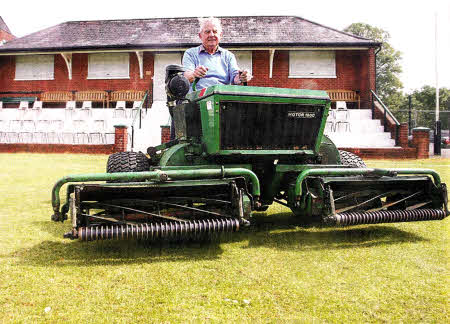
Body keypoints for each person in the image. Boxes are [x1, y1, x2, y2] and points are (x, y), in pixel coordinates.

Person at [183, 17, 252, 90]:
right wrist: (194, 74)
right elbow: (186, 77)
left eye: (215, 31)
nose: (211, 35)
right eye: (207, 32)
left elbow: (235, 78)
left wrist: (242, 76)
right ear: (200, 36)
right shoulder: (190, 53)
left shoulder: (228, 56)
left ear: (220, 35)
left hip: (222, 97)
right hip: (198, 98)